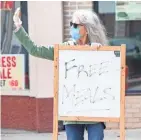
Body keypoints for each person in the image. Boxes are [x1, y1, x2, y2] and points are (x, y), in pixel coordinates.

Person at [13, 8, 108, 140]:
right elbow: (35, 50)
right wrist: (18, 26)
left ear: (86, 28)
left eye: (75, 25)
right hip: (72, 113)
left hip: (94, 111)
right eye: (71, 25)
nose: (72, 28)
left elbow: (109, 77)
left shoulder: (98, 49)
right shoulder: (64, 49)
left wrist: (101, 53)